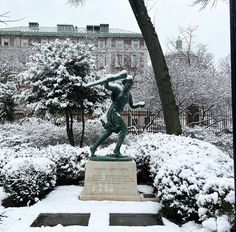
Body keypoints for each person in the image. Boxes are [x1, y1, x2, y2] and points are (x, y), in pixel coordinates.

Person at [90, 72, 145, 157]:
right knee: (124, 130)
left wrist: (139, 105)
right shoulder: (117, 89)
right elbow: (107, 86)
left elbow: (132, 106)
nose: (129, 85)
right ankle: (116, 150)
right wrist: (107, 80)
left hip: (118, 112)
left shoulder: (129, 95)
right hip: (113, 112)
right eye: (128, 83)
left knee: (109, 131)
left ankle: (94, 147)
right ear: (124, 83)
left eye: (131, 84)